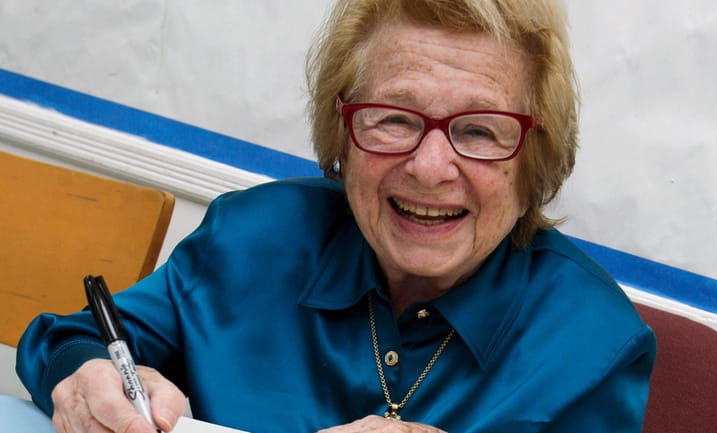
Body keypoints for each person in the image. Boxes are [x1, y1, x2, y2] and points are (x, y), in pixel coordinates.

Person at [16, 0, 656, 432]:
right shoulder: (253, 238)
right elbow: (74, 338)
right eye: (395, 119)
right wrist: (83, 376)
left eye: (481, 131)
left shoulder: (593, 344)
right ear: (343, 134)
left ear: (535, 156)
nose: (430, 167)